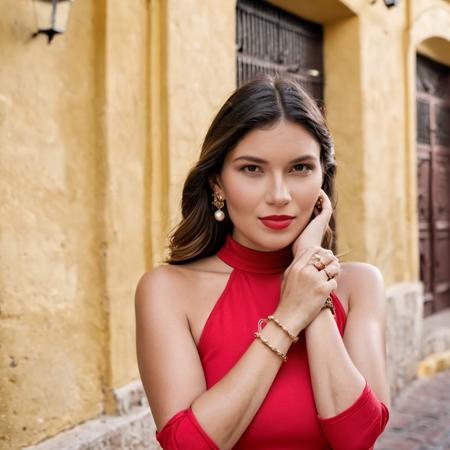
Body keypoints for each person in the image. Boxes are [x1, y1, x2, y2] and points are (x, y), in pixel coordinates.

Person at [135, 75, 390, 450]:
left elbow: (358, 438)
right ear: (217, 184)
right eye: (252, 169)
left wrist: (309, 271)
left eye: (300, 168)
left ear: (323, 178)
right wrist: (288, 316)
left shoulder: (360, 285)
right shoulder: (168, 290)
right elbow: (188, 445)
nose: (279, 195)